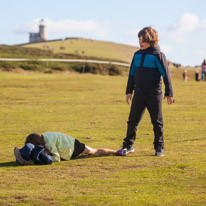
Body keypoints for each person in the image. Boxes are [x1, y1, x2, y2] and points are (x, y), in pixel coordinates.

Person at [117, 26, 174, 157]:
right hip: (139, 93)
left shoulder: (158, 55)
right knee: (132, 120)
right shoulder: (137, 55)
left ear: (151, 40)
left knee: (157, 121)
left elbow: (166, 75)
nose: (140, 42)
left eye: (143, 40)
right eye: (139, 39)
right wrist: (128, 91)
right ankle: (128, 145)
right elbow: (131, 74)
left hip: (154, 93)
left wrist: (169, 93)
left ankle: (159, 147)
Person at [15, 132, 117, 164]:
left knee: (94, 152)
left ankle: (117, 152)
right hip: (71, 142)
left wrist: (42, 159)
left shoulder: (49, 144)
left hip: (72, 147)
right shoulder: (45, 137)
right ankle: (117, 152)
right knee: (95, 151)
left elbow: (57, 158)